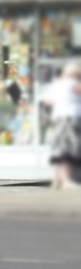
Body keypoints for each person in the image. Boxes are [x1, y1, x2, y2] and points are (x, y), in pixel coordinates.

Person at [41, 60, 81, 190]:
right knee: (68, 149)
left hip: (58, 118)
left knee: (58, 149)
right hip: (70, 119)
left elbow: (48, 101)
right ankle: (67, 180)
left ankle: (56, 180)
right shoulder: (73, 83)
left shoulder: (57, 84)